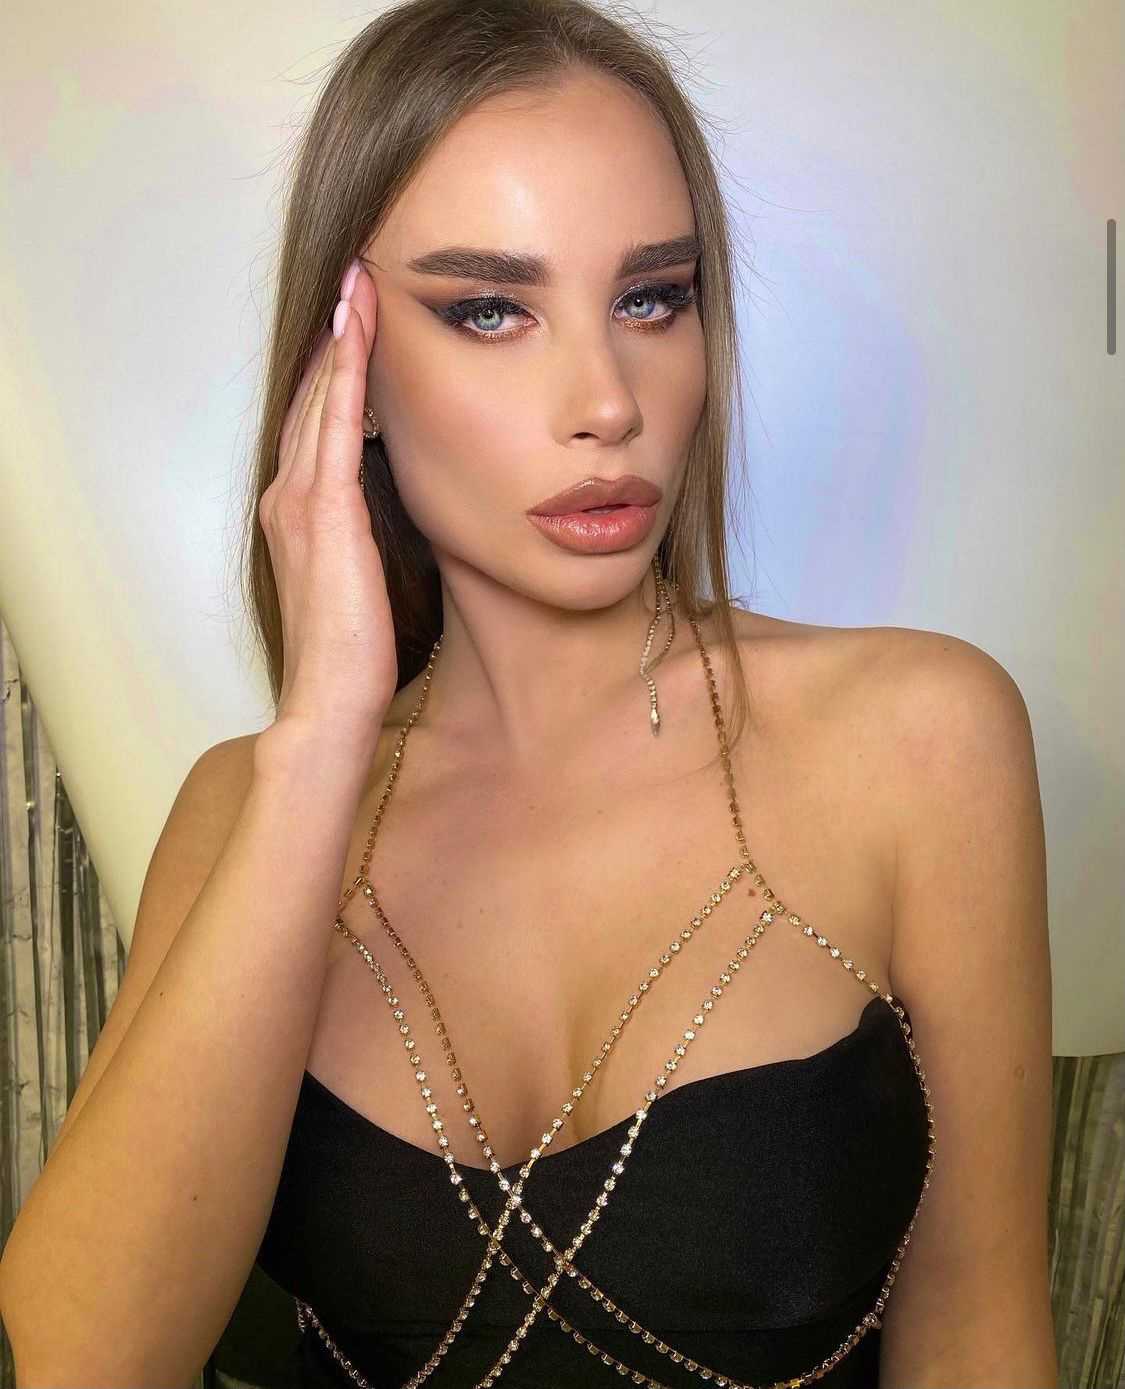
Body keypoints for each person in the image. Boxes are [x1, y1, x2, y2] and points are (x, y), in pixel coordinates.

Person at [0, 1, 1058, 1385]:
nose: (606, 399)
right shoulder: (246, 809)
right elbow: (87, 1359)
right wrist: (320, 740)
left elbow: (981, 1336)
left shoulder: (921, 740)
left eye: (650, 297)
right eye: (490, 310)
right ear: (348, 373)